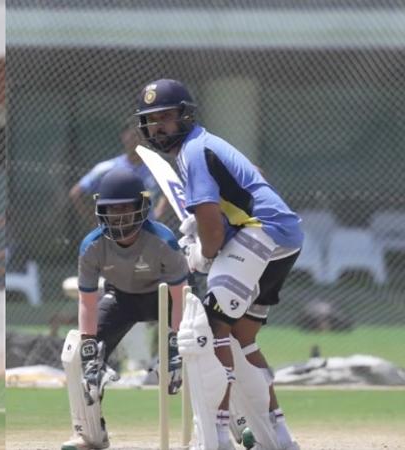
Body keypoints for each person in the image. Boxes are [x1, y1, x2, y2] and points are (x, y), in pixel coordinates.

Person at [135, 78, 302, 450]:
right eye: (152, 119)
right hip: (283, 236)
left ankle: (217, 438)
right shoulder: (205, 145)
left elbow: (212, 230)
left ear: (185, 116)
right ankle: (279, 437)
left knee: (210, 328)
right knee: (243, 339)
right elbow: (253, 177)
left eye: (167, 117)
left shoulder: (193, 153)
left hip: (262, 233)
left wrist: (202, 253)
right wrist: (207, 236)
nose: (159, 126)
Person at [61, 167, 188, 450]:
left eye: (125, 209)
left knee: (202, 345)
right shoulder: (91, 246)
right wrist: (90, 346)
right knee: (76, 356)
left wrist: (176, 343)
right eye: (111, 210)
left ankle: (222, 425)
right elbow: (87, 300)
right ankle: (89, 433)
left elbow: (180, 297)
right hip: (121, 298)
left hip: (164, 298)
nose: (118, 217)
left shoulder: (163, 241)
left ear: (142, 207)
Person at [69, 120, 168, 226]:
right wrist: (94, 222)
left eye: (140, 136)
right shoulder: (106, 168)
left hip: (148, 233)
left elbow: (169, 191)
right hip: (115, 233)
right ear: (123, 137)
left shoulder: (157, 168)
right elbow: (76, 193)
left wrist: (159, 213)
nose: (136, 140)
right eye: (133, 136)